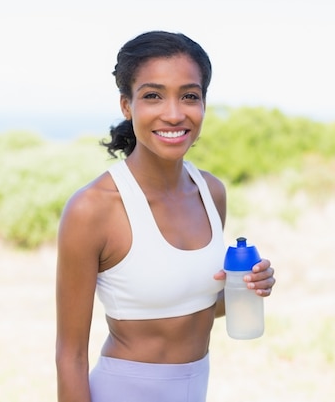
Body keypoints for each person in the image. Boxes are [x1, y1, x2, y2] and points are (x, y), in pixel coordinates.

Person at [55, 30, 276, 402]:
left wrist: (246, 288)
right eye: (153, 96)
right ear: (127, 105)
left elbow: (193, 308)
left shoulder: (211, 193)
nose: (174, 113)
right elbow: (70, 355)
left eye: (189, 96)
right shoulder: (93, 209)